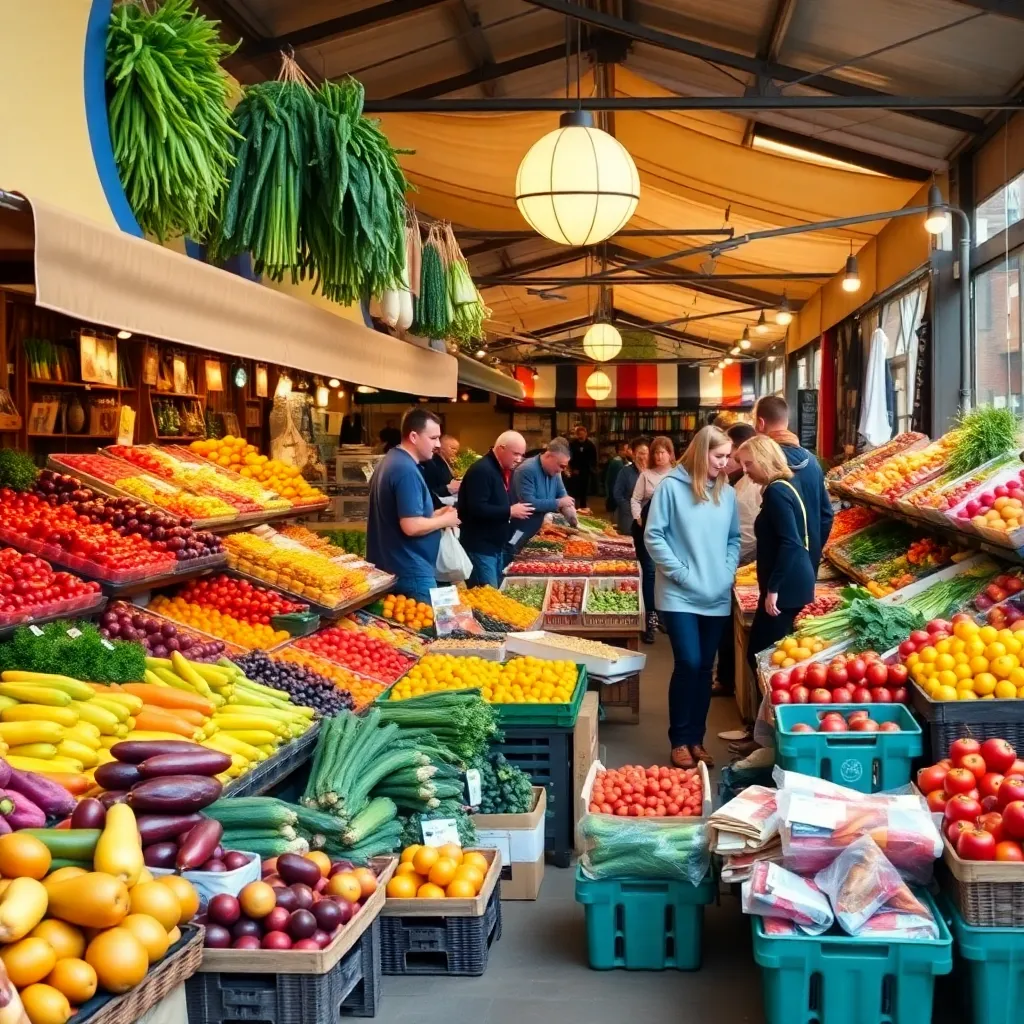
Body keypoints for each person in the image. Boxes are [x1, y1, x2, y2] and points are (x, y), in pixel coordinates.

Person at [644, 426, 740, 769]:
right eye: (718, 456)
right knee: (687, 662)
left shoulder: (726, 493)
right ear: (701, 453)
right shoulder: (670, 488)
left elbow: (734, 539)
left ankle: (696, 739)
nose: (725, 463)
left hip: (715, 592)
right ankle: (679, 739)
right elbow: (653, 537)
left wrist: (727, 572)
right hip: (678, 593)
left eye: (728, 456)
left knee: (704, 668)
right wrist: (682, 573)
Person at [735, 435, 816, 674]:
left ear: (764, 459)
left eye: (749, 463)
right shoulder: (785, 485)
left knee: (763, 656)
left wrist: (773, 589)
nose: (745, 470)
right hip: (793, 581)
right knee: (769, 654)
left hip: (786, 586)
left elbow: (790, 542)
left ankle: (769, 710)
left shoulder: (776, 492)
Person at [366, 408, 459, 603]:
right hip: (411, 571)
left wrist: (433, 515)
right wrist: (445, 520)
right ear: (414, 436)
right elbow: (410, 526)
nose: (438, 444)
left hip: (393, 566)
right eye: (433, 438)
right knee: (431, 630)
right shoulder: (406, 470)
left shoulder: (390, 460)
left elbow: (400, 516)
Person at [754, 395, 834, 571]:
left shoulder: (764, 463)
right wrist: (812, 551)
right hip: (807, 562)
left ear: (760, 423)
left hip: (776, 563)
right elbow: (826, 515)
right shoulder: (812, 461)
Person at [712, 422, 762, 699]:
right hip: (736, 558)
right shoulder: (737, 482)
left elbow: (752, 530)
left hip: (746, 561)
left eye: (729, 456)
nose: (726, 461)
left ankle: (727, 679)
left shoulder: (756, 486)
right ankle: (726, 677)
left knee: (728, 621)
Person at [457, 430, 532, 587]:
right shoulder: (482, 470)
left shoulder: (501, 469)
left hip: (494, 546)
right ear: (501, 448)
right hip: (480, 548)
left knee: (494, 596)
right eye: (515, 454)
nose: (519, 459)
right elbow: (476, 508)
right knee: (486, 599)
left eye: (521, 455)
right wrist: (510, 511)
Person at [631, 436, 676, 644]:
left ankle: (666, 615)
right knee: (649, 572)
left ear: (670, 453)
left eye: (663, 452)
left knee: (666, 572)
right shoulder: (646, 475)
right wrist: (637, 516)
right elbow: (635, 499)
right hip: (647, 530)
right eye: (655, 452)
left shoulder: (678, 475)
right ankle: (651, 618)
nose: (659, 456)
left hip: (671, 533)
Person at [510, 437, 578, 550]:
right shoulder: (526, 470)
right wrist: (558, 503)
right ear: (549, 456)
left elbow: (561, 492)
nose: (561, 470)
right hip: (520, 528)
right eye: (561, 466)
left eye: (564, 467)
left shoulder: (555, 471)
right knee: (512, 551)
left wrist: (569, 510)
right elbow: (528, 503)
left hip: (539, 528)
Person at [612, 438, 647, 536]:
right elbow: (618, 494)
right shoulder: (625, 471)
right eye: (640, 453)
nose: (643, 457)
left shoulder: (653, 472)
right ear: (634, 454)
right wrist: (632, 510)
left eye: (646, 453)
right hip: (629, 517)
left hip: (649, 517)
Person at [420, 433, 460, 509]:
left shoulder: (446, 461)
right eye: (452, 448)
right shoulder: (432, 463)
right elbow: (429, 491)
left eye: (456, 449)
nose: (455, 452)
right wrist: (448, 488)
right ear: (441, 447)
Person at [568, 425, 597, 509]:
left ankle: (583, 507)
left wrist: (592, 468)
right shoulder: (573, 444)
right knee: (574, 489)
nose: (581, 436)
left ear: (586, 434)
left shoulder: (590, 445)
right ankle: (572, 507)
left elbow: (593, 458)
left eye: (583, 434)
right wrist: (573, 468)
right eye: (579, 434)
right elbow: (570, 456)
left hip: (586, 470)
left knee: (584, 489)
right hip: (575, 470)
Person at [604, 442, 631, 516]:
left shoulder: (622, 461)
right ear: (619, 451)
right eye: (624, 450)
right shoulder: (617, 462)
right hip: (615, 493)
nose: (627, 452)